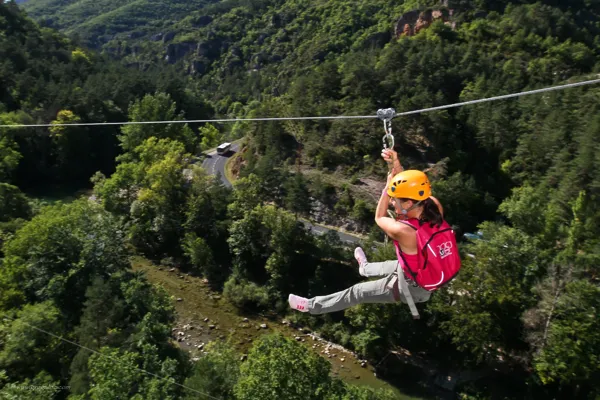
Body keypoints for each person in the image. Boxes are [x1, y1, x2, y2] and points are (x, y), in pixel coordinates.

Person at [288, 149, 447, 314]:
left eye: (395, 199)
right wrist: (396, 165)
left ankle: (311, 306)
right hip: (422, 268)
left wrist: (387, 187)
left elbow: (379, 217)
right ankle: (364, 268)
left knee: (357, 292)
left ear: (408, 203)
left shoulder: (405, 231)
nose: (392, 202)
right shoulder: (434, 208)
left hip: (411, 289)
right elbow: (411, 187)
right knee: (388, 265)